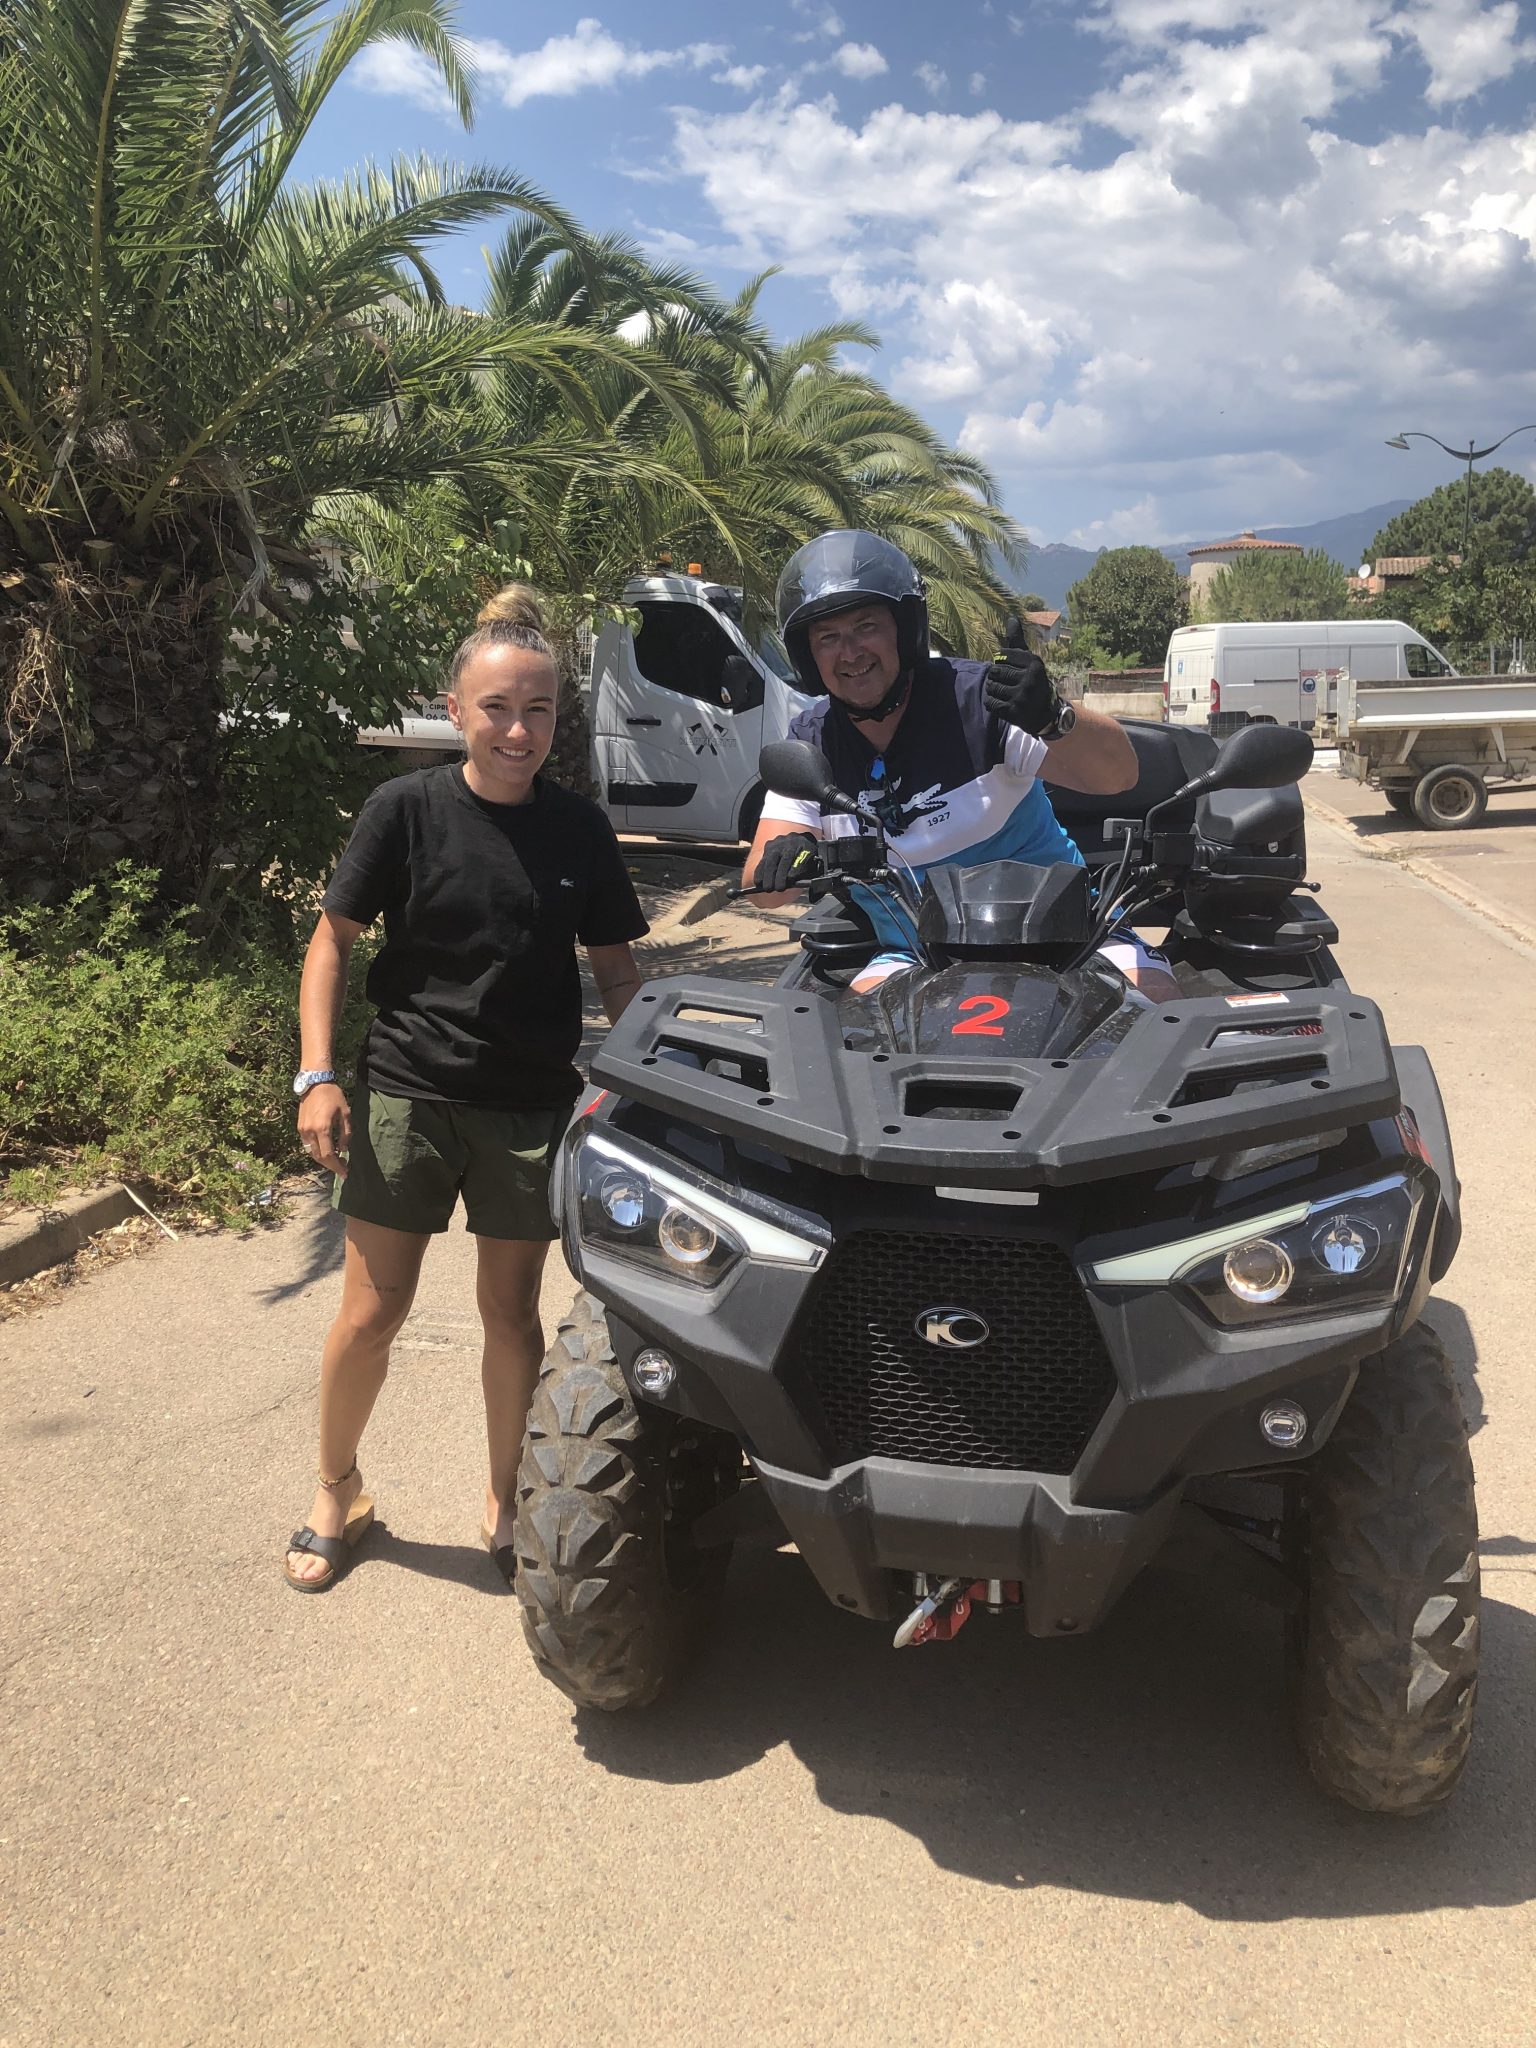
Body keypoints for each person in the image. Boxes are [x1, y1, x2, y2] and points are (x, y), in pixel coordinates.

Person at [283, 587, 648, 1592]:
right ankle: (337, 1490)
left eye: (538, 710)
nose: (518, 730)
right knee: (371, 1314)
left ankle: (502, 1498)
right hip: (409, 1093)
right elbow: (331, 942)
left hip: (529, 1105)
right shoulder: (404, 810)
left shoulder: (579, 830)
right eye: (497, 709)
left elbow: (617, 972)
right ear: (455, 710)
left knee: (511, 1315)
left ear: (558, 718)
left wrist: (643, 1077)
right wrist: (317, 1074)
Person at [742, 529, 1175, 996]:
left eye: (867, 626)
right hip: (915, 956)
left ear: (905, 630)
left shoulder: (982, 702)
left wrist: (1052, 716)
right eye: (828, 637)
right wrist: (789, 856)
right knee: (849, 1035)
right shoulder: (813, 742)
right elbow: (763, 892)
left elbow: (1119, 776)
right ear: (808, 655)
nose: (850, 652)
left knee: (1152, 1003)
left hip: (1068, 941)